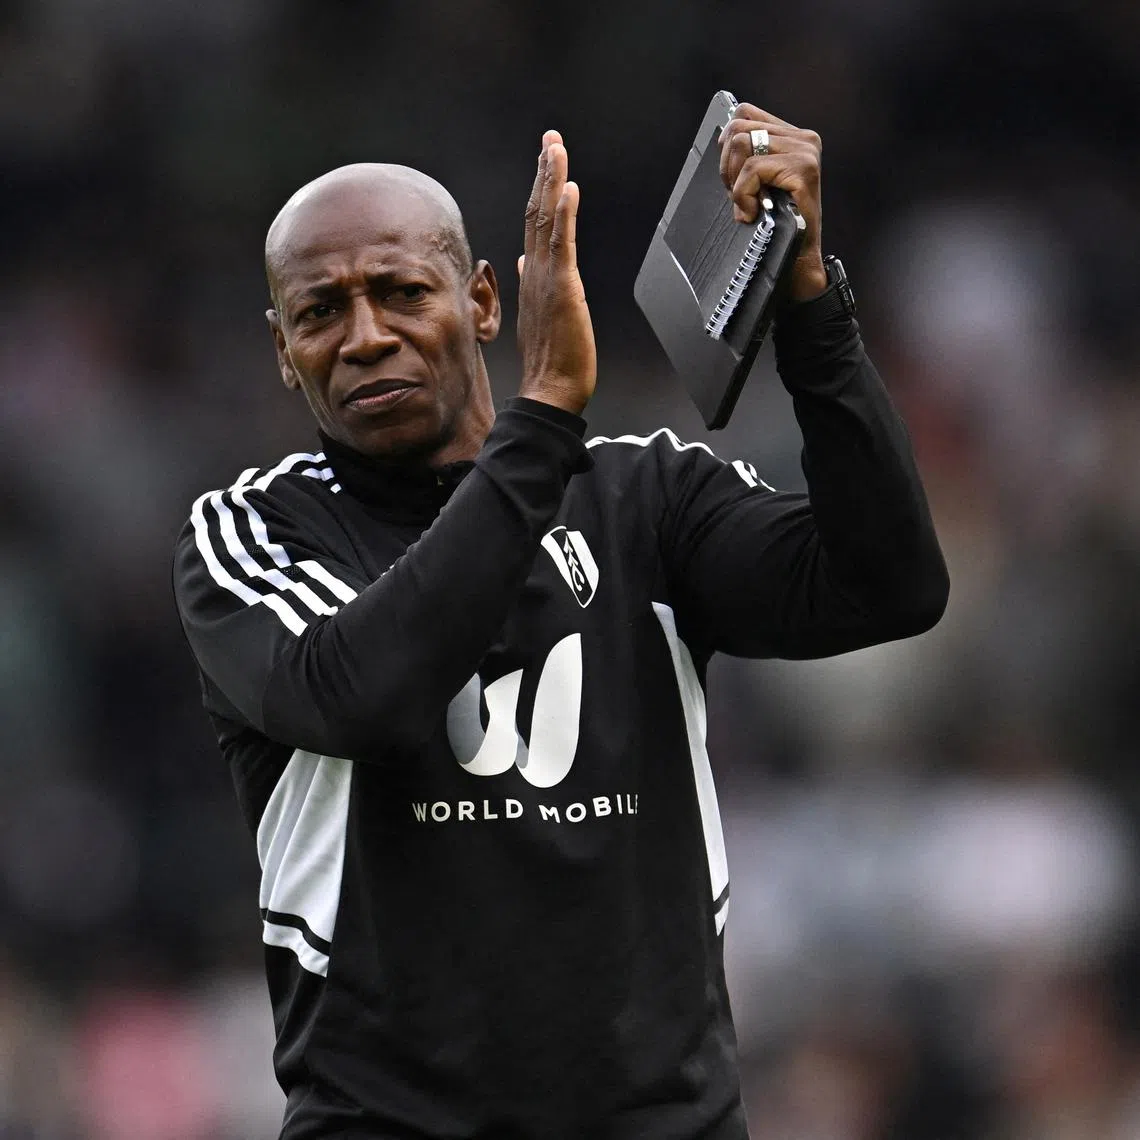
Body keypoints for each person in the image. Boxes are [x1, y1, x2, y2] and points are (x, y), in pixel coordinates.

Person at [173, 104, 948, 1140]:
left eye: (402, 292)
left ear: (484, 300)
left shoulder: (646, 499)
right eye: (320, 313)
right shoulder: (251, 531)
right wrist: (540, 421)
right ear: (283, 351)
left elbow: (891, 584)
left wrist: (809, 305)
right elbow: (357, 693)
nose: (365, 336)